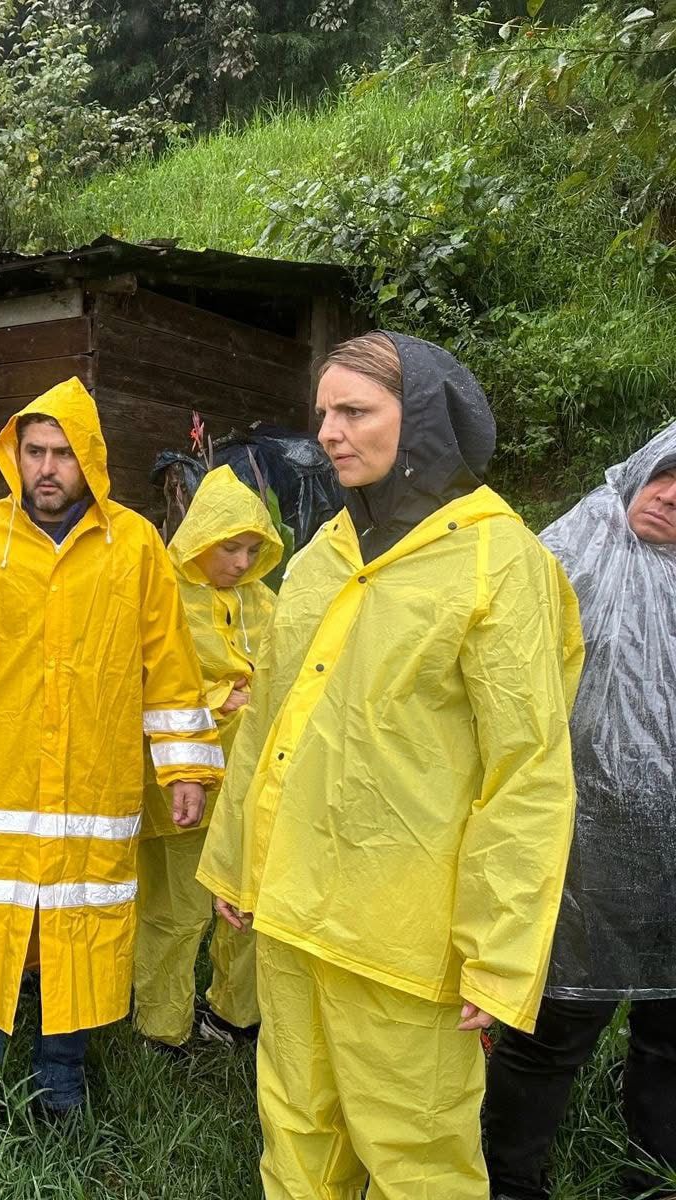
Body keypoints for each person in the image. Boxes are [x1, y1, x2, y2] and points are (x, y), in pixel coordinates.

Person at [197, 331, 583, 1200]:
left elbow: (527, 774)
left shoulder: (497, 563)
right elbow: (268, 724)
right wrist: (238, 860)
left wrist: (499, 954)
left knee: (417, 1158)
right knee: (297, 1131)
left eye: (355, 411)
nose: (328, 432)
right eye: (323, 412)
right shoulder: (322, 555)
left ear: (425, 421)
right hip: (294, 907)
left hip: (405, 936)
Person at [0, 378, 222, 1133]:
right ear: (16, 456)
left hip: (91, 791)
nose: (46, 467)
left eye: (63, 454)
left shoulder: (133, 545)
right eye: (35, 451)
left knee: (78, 939)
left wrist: (185, 767)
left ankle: (61, 1091)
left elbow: (170, 665)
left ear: (91, 459)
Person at [484, 422, 676, 1200]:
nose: (671, 497)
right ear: (641, 467)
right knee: (554, 1026)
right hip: (586, 845)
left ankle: (655, 1176)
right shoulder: (572, 550)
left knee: (671, 1034)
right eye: (666, 474)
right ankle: (509, 1180)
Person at [133, 465, 281, 1051]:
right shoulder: (162, 594)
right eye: (230, 547)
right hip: (180, 780)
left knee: (247, 903)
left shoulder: (263, 601)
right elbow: (142, 678)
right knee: (176, 907)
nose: (242, 563)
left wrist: (252, 695)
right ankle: (161, 1025)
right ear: (199, 539)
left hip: (252, 781)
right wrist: (223, 696)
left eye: (253, 550)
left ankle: (234, 1014)